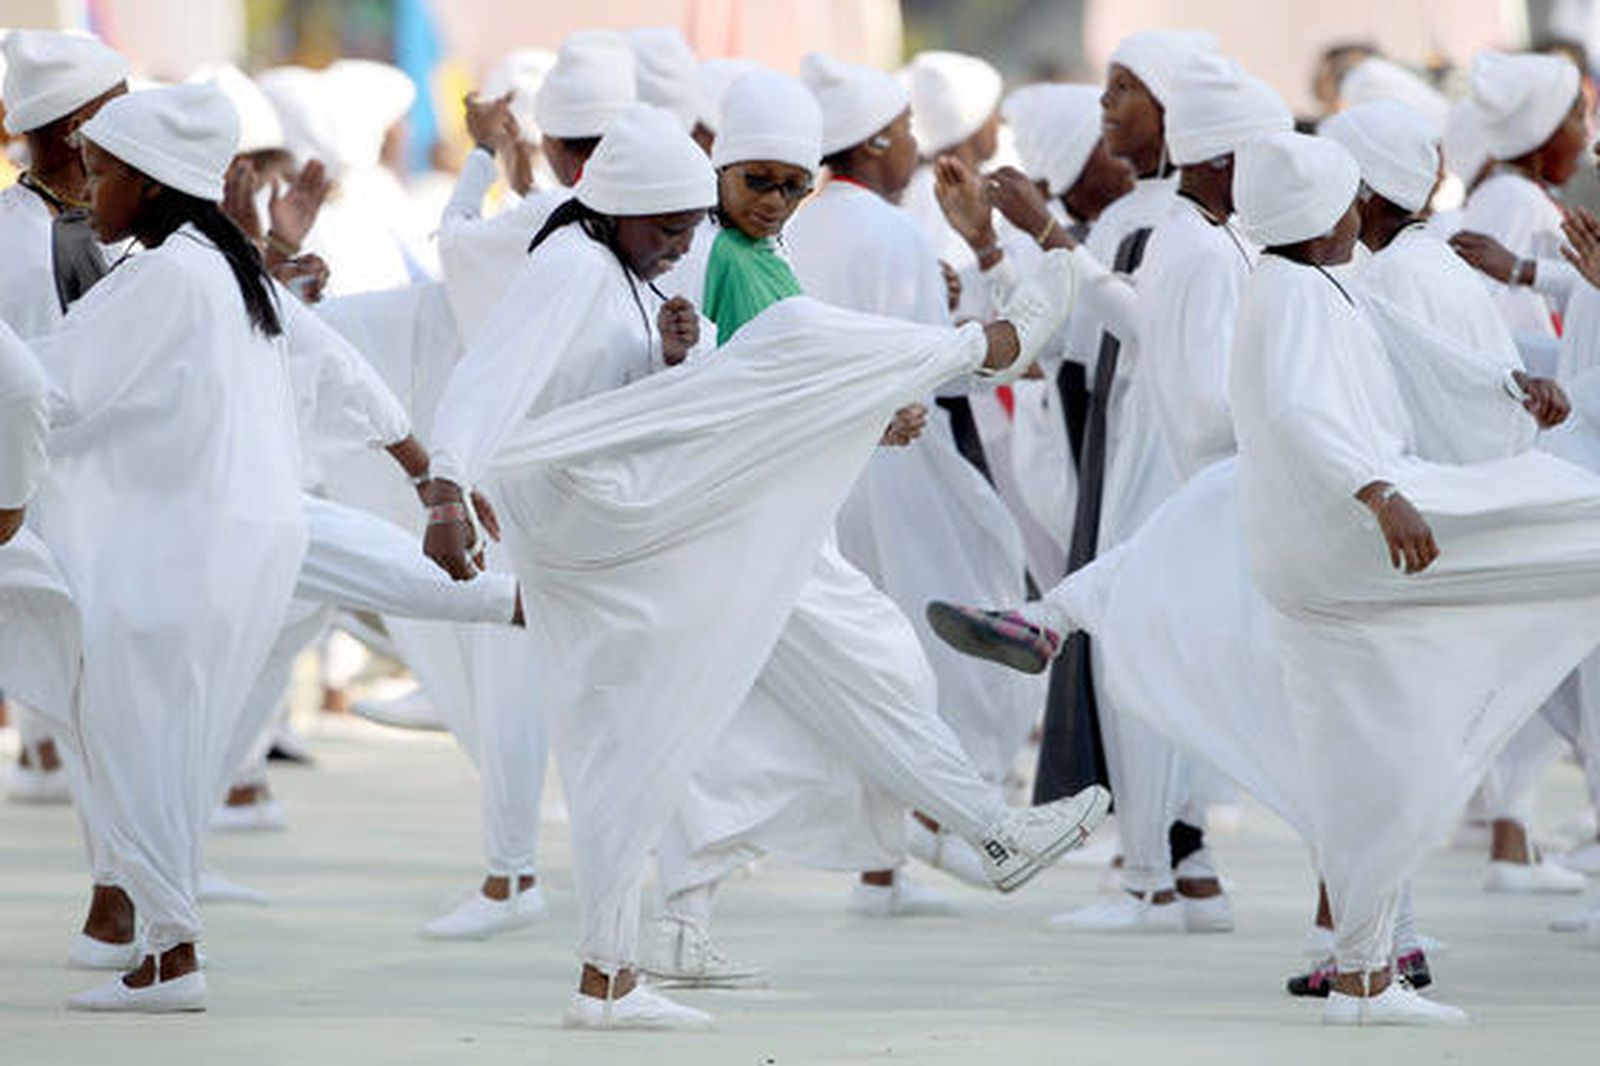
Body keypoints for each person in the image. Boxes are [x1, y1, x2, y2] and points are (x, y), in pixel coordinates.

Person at [419, 102, 1104, 1030]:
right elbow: (493, 373)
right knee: (833, 631)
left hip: (637, 509)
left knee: (659, 732)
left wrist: (674, 355)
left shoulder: (621, 265)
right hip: (618, 515)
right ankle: (986, 341)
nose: (678, 248)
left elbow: (635, 389)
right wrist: (446, 487)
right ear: (619, 207)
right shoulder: (575, 265)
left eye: (686, 228)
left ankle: (614, 974)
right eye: (669, 229)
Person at [932, 51, 1291, 934]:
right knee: (1161, 655)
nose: (1107, 105)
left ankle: (1147, 879)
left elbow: (1134, 339)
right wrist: (997, 248)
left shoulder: (1185, 230)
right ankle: (1184, 866)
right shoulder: (1167, 224)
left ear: (1183, 117)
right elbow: (1073, 338)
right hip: (1140, 452)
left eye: (1128, 89)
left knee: (1145, 657)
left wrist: (1048, 242)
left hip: (1163, 461)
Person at [26, 83, 308, 1011]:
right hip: (231, 547)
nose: (88, 191)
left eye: (101, 175)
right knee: (169, 749)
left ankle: (170, 957)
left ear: (146, 186)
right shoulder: (220, 266)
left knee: (134, 747)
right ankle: (160, 946)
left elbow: (50, 389)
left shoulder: (163, 276)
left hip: (171, 555)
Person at [786, 52, 1042, 822]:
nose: (911, 146)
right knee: (926, 645)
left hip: (818, 474)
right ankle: (945, 822)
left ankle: (881, 855)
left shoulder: (798, 230)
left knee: (853, 660)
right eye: (900, 132)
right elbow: (937, 369)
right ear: (870, 144)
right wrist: (989, 337)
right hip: (901, 466)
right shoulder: (890, 232)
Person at [0, 29, 127, 804]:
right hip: (25, 503)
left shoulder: (133, 225)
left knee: (108, 706)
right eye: (118, 107)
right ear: (79, 125)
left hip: (117, 495)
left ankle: (124, 891)